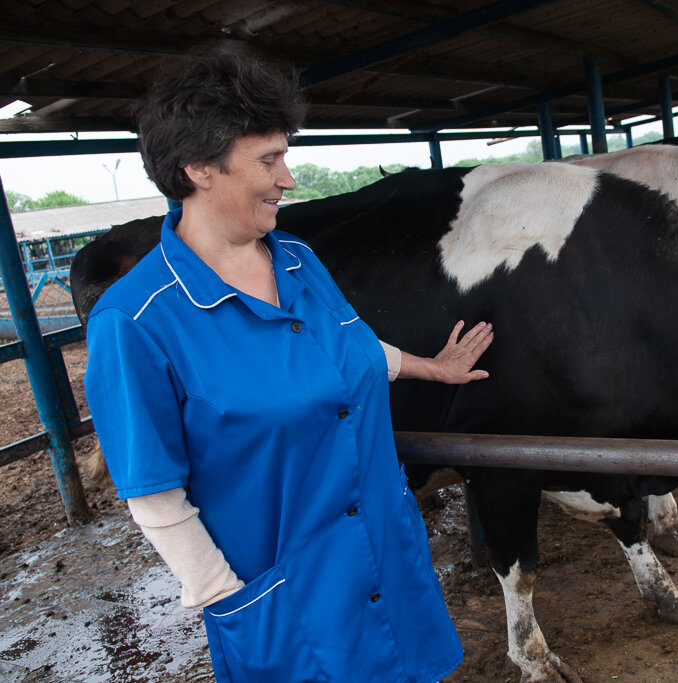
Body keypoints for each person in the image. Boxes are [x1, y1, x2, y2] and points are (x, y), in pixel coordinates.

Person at [83, 53, 492, 682]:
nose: (289, 179)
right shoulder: (136, 320)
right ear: (199, 169)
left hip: (383, 554)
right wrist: (228, 601)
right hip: (291, 603)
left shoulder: (298, 259)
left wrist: (428, 368)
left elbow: (344, 350)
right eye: (269, 160)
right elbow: (155, 496)